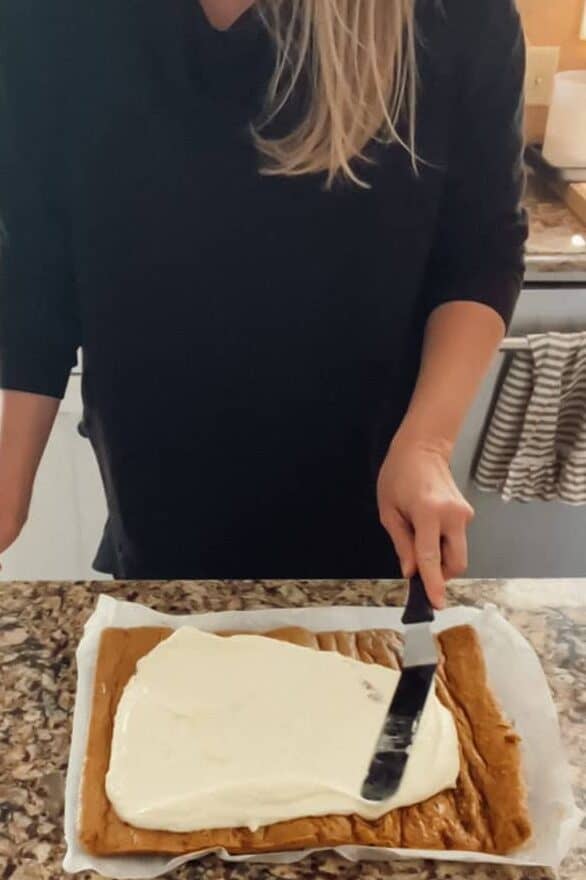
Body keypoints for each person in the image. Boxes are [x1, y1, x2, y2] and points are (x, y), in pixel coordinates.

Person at [0, 0, 527, 606]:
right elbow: (36, 263)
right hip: (157, 493)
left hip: (370, 492)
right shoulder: (44, 17)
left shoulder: (455, 15)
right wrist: (11, 482)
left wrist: (428, 444)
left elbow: (480, 249)